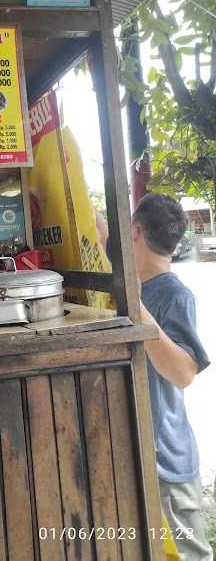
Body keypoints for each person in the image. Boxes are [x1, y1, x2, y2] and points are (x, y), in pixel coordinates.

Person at [132, 193, 212, 560]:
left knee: (186, 555)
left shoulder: (173, 295)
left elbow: (183, 373)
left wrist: (140, 313)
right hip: (145, 455)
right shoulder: (140, 289)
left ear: (134, 233)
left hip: (168, 461)